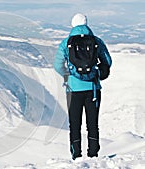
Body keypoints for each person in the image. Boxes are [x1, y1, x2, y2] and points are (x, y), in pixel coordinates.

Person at [54, 13, 112, 160]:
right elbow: (108, 61)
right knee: (92, 124)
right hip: (93, 88)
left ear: (72, 25)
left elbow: (57, 65)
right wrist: (97, 72)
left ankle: (76, 155)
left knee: (75, 124)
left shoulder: (66, 43)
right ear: (86, 24)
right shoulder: (96, 41)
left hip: (73, 89)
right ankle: (93, 155)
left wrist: (68, 75)